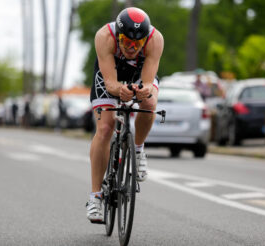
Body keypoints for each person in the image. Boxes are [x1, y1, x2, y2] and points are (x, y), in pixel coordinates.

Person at [86, 7, 164, 223]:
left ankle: (137, 150)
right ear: (118, 34)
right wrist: (119, 89)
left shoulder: (156, 39)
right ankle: (95, 197)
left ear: (145, 39)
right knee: (104, 128)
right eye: (126, 41)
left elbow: (148, 82)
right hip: (110, 72)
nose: (131, 47)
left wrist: (144, 90)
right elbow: (110, 82)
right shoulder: (104, 36)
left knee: (149, 102)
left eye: (137, 44)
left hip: (139, 72)